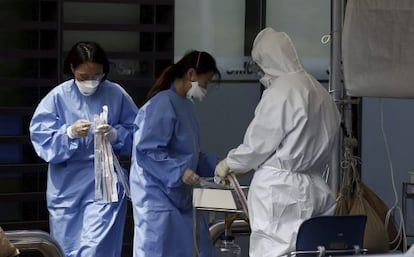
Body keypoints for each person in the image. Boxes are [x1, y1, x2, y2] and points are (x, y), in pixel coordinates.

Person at [214, 27, 341, 257]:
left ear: (267, 60)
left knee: (273, 252)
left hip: (280, 191)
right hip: (316, 187)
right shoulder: (319, 91)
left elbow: (257, 145)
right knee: (312, 251)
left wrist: (231, 163)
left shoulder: (280, 92)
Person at [29, 41, 138, 257]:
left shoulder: (116, 94)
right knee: (65, 248)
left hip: (105, 184)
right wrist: (68, 133)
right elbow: (42, 139)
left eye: (97, 76)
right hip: (66, 189)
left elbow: (139, 134)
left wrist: (116, 135)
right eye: (83, 77)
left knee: (96, 248)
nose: (91, 82)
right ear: (72, 69)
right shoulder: (58, 97)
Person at [129, 50, 220, 257]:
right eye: (205, 83)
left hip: (179, 197)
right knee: (160, 250)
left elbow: (191, 153)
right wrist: (179, 171)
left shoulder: (185, 106)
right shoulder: (162, 104)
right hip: (157, 198)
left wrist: (220, 165)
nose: (205, 89)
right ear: (191, 74)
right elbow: (147, 151)